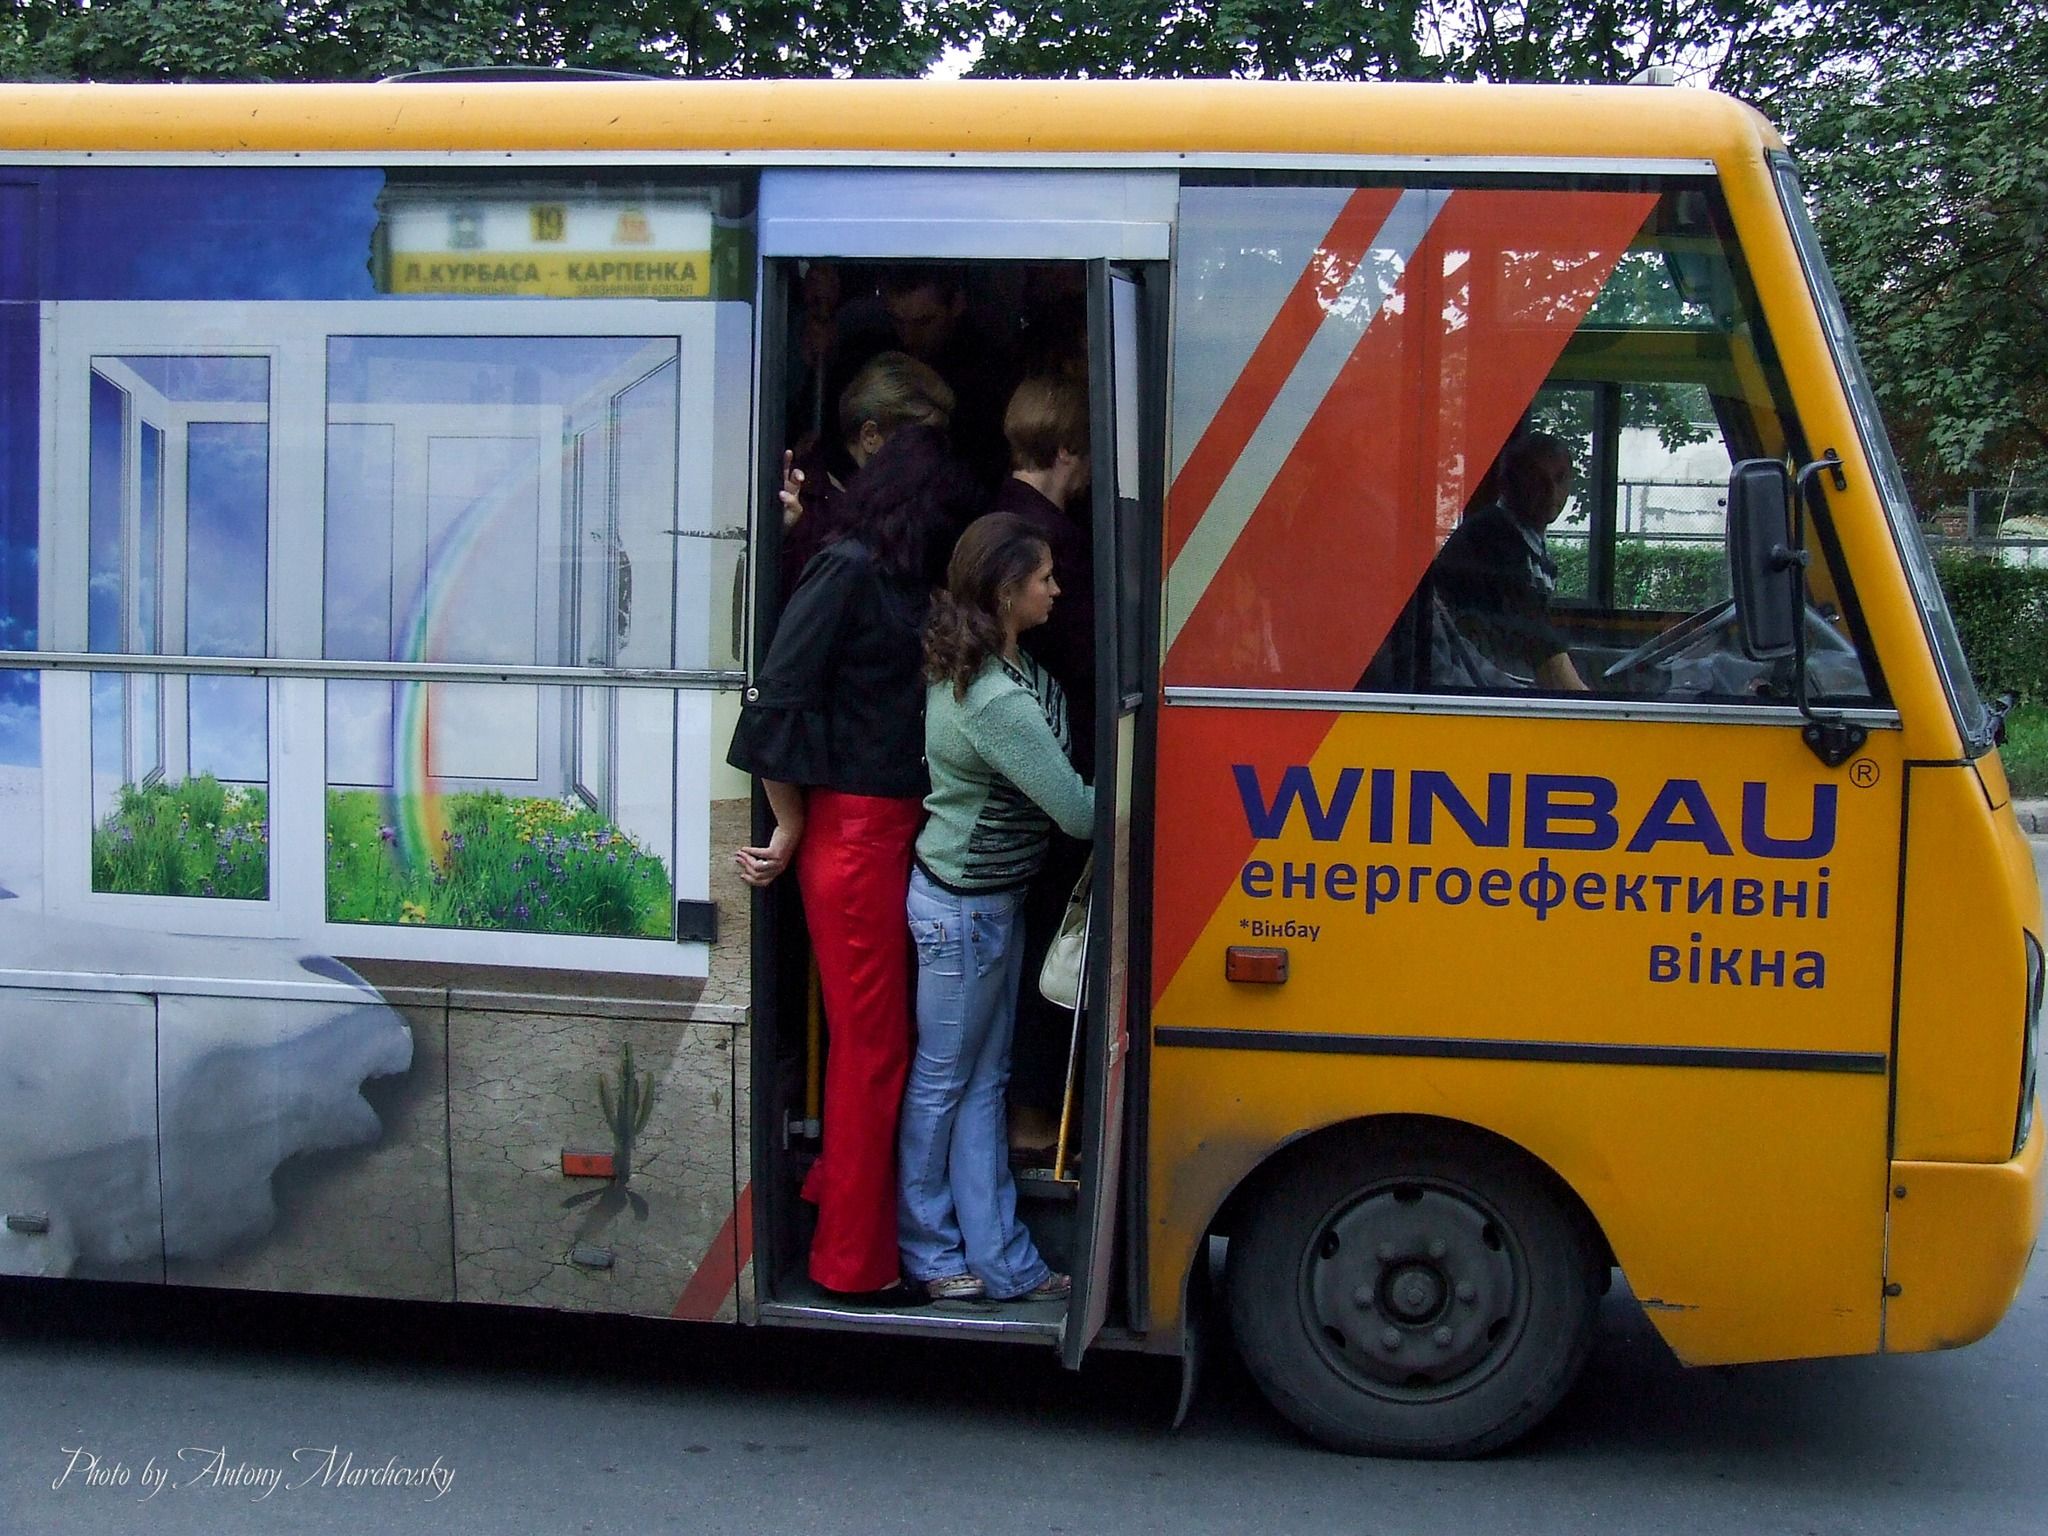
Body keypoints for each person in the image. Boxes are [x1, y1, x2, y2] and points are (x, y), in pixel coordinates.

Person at [728, 423, 982, 1297]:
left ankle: (846, 1217)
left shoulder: (875, 568)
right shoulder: (852, 568)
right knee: (876, 1050)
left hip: (881, 831)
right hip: (859, 835)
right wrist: (791, 823)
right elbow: (775, 699)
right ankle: (851, 1261)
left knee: (879, 1047)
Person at [898, 513, 1094, 1303]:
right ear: (1008, 591)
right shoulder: (996, 700)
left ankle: (1000, 1261)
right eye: (1044, 576)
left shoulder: (998, 667)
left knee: (979, 1083)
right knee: (949, 1083)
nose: (1057, 587)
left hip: (985, 904)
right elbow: (1078, 811)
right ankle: (932, 1250)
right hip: (964, 912)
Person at [987, 374, 1096, 1160]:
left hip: (1018, 772)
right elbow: (1082, 653)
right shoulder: (1042, 539)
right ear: (1067, 451)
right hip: (1046, 765)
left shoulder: (996, 517)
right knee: (1054, 943)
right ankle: (1033, 1115)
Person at [779, 351, 955, 595]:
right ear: (870, 436)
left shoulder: (913, 503)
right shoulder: (806, 504)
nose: (930, 455)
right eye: (919, 440)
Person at [1432, 433, 1590, 691]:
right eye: (1536, 480)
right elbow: (1537, 639)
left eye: (1560, 478)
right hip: (1459, 683)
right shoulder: (1491, 540)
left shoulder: (1521, 537)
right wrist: (1587, 703)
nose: (1551, 491)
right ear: (1507, 483)